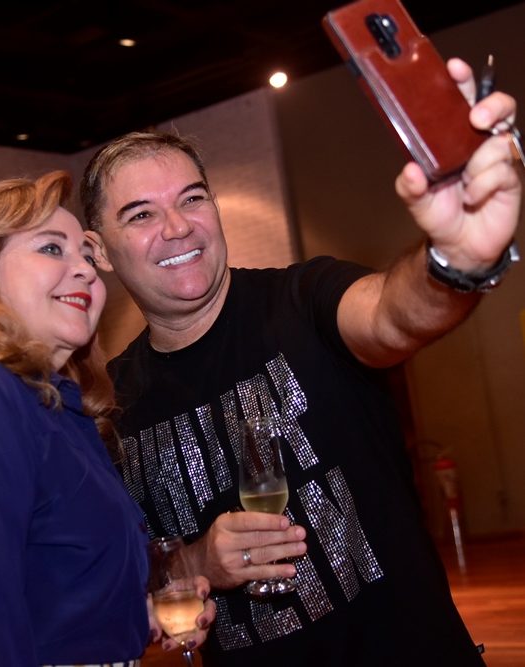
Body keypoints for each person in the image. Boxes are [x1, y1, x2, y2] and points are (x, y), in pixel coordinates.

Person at [79, 57, 522, 666]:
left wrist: (457, 260)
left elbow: (393, 316)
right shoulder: (112, 405)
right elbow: (128, 576)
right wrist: (199, 560)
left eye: (192, 198)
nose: (177, 227)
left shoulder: (302, 299)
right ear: (99, 251)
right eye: (141, 214)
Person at [0, 170, 215, 667]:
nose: (87, 271)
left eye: (87, 256)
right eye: (52, 248)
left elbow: (50, 588)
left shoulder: (55, 405)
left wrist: (137, 612)